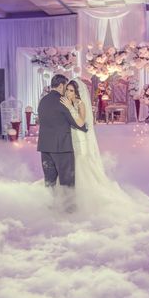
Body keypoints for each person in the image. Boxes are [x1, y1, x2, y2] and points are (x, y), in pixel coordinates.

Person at [37, 74, 87, 212]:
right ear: (60, 85)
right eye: (65, 87)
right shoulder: (62, 101)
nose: (66, 90)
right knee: (67, 181)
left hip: (45, 147)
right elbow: (78, 124)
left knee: (49, 182)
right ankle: (70, 210)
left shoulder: (43, 101)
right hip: (62, 147)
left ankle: (50, 208)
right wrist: (84, 126)